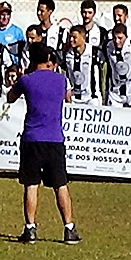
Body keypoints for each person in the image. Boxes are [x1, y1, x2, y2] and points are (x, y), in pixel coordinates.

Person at [8, 43, 81, 245]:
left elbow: (10, 97)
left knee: (31, 185)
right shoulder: (60, 80)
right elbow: (68, 98)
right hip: (55, 138)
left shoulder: (26, 80)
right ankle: (69, 228)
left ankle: (30, 228)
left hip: (32, 137)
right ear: (49, 61)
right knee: (60, 184)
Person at [62, 25, 104, 105]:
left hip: (91, 98)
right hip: (74, 99)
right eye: (70, 37)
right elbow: (65, 73)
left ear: (83, 38)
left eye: (74, 37)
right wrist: (67, 89)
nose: (71, 40)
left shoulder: (94, 53)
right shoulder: (67, 54)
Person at [105, 23, 131, 107]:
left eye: (120, 38)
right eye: (114, 38)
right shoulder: (108, 46)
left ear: (126, 36)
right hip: (116, 94)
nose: (117, 41)